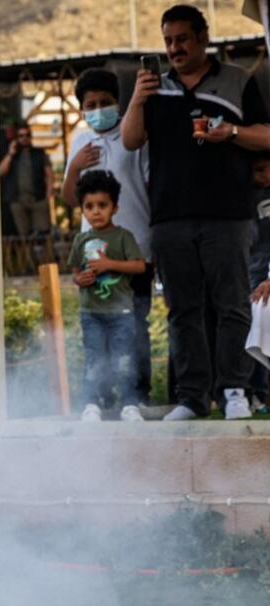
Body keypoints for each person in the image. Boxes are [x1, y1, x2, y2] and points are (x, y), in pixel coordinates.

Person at [121, 4, 270, 420]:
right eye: (168, 40)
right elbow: (132, 140)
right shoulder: (154, 87)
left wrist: (232, 132)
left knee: (232, 305)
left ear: (204, 38)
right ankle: (191, 397)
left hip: (228, 213)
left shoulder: (237, 80)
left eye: (182, 39)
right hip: (169, 216)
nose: (174, 48)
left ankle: (235, 390)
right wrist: (137, 97)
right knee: (183, 310)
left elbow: (266, 135)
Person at [62, 68, 154, 404]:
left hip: (136, 249)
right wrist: (74, 167)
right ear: (82, 109)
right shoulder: (80, 141)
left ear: (118, 101)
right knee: (97, 327)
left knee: (135, 326)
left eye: (106, 102)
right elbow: (69, 199)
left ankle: (138, 395)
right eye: (91, 104)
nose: (99, 108)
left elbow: (149, 186)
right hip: (94, 254)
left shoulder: (135, 138)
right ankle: (101, 396)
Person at [67, 171, 147, 422]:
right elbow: (75, 272)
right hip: (91, 314)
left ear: (115, 207)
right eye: (89, 207)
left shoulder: (123, 237)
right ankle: (92, 403)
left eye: (102, 205)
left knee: (123, 359)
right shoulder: (81, 240)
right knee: (94, 359)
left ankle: (129, 403)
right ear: (82, 210)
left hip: (121, 313)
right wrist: (80, 279)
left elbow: (139, 266)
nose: (96, 212)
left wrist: (109, 264)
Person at [0, 123, 55, 237]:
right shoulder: (11, 154)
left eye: (27, 135)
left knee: (43, 233)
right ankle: (27, 255)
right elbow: (1, 171)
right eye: (21, 135)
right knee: (23, 235)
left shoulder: (39, 153)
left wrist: (49, 191)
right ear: (17, 138)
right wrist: (10, 154)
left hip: (38, 197)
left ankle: (43, 255)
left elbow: (49, 173)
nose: (24, 138)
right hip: (17, 199)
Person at [248, 153, 270, 410]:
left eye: (266, 169)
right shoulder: (246, 197)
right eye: (257, 170)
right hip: (251, 271)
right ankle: (256, 393)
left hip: (265, 273)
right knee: (254, 331)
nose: (263, 176)